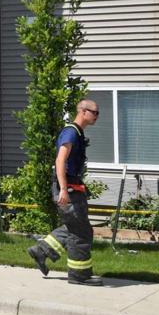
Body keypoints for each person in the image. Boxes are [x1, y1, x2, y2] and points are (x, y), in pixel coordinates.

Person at [28, 99, 103, 286]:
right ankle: (79, 275)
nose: (97, 116)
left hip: (73, 187)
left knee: (74, 227)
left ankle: (41, 250)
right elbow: (60, 161)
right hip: (68, 188)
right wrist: (63, 189)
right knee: (81, 233)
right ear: (84, 111)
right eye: (95, 112)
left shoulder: (77, 132)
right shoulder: (71, 132)